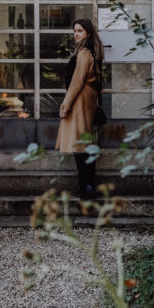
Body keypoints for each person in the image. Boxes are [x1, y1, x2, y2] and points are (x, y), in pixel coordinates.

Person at [55, 18, 104, 199]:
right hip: (86, 102)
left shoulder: (84, 53)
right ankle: (88, 186)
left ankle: (87, 188)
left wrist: (64, 106)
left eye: (80, 31)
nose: (76, 34)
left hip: (80, 103)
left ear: (88, 33)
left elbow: (76, 82)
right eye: (74, 30)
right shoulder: (92, 52)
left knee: (80, 147)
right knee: (84, 146)